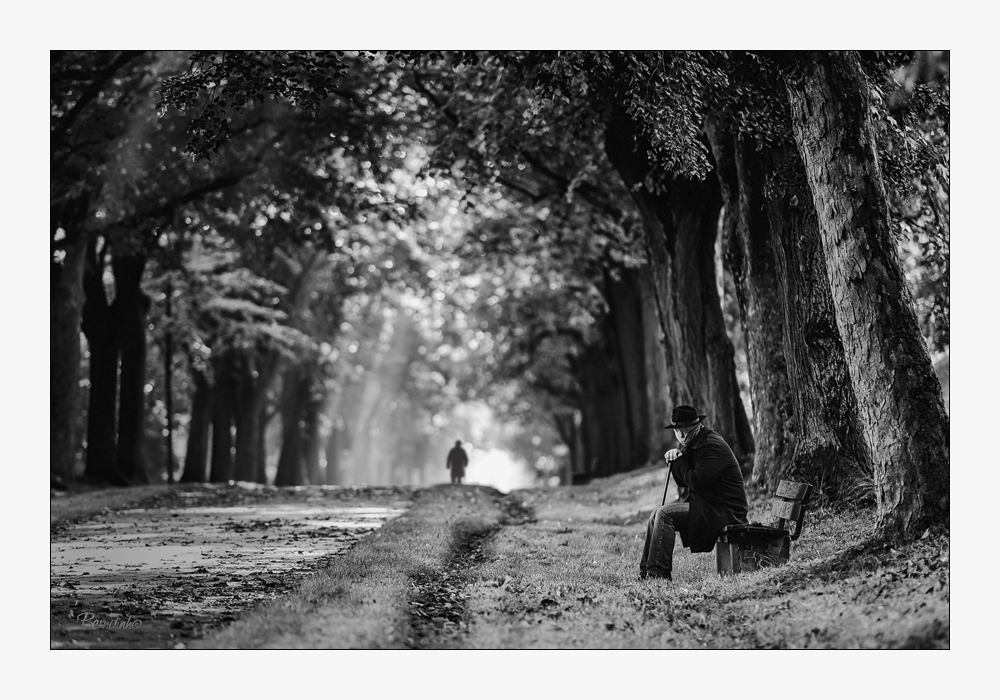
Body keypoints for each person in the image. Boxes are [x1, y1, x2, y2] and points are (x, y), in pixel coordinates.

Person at [639, 405, 748, 581]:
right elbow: (684, 481)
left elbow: (697, 481)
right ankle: (646, 573)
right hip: (710, 506)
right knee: (656, 514)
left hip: (725, 511)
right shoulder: (697, 442)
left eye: (675, 431)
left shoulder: (710, 446)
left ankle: (658, 575)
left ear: (680, 432)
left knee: (664, 514)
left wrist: (679, 460)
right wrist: (678, 457)